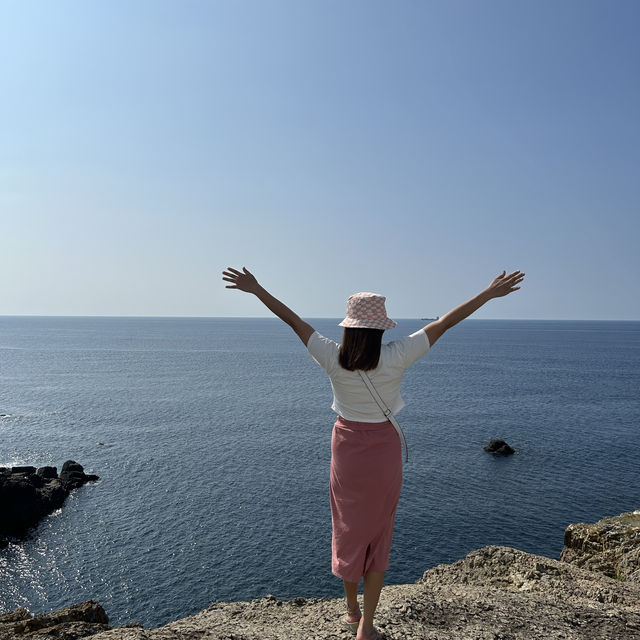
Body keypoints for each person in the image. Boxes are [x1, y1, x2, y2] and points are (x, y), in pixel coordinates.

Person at [222, 266, 525, 640]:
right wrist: (487, 293)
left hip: (346, 448)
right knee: (379, 534)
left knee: (347, 530)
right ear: (381, 328)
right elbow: (446, 322)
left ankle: (351, 612)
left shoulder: (332, 356)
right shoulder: (397, 355)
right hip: (383, 449)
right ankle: (367, 627)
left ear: (348, 327)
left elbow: (293, 320)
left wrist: (256, 289)